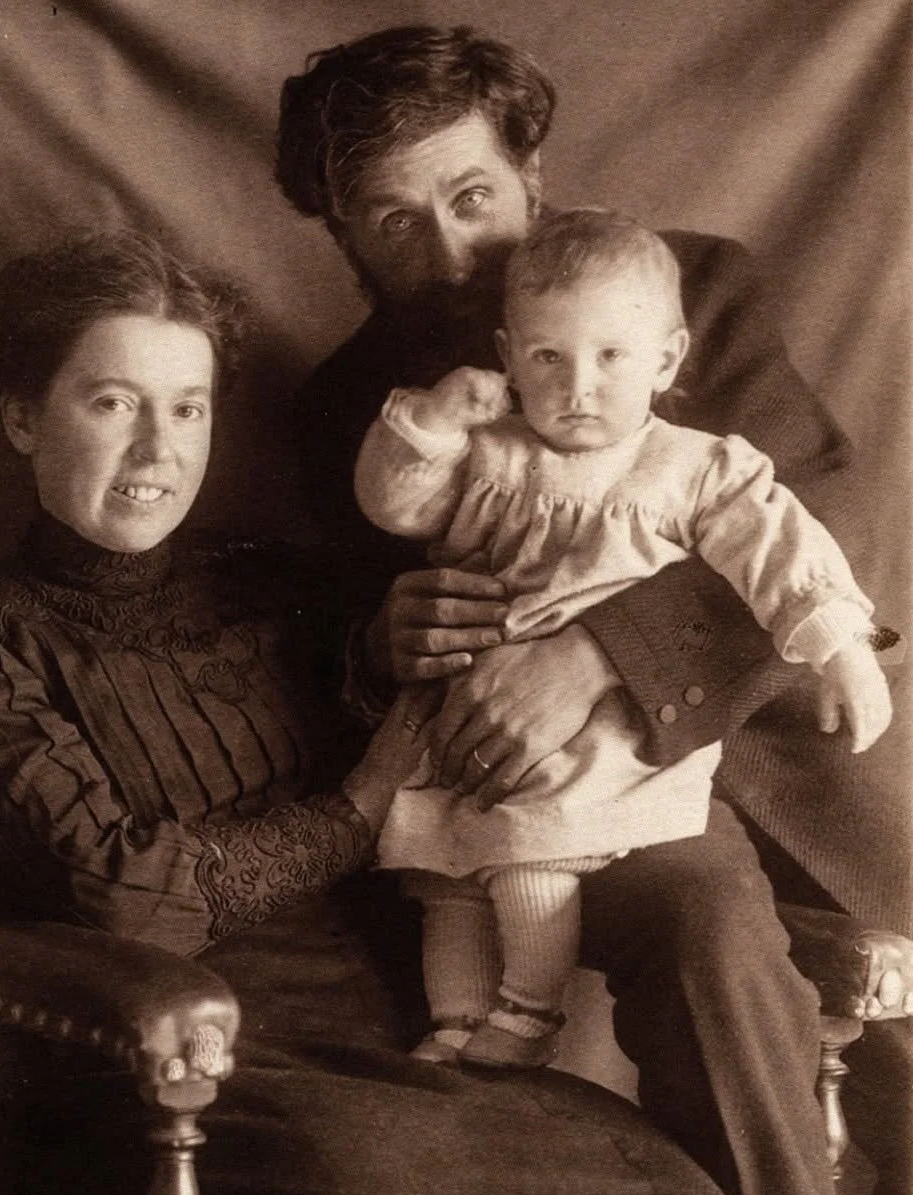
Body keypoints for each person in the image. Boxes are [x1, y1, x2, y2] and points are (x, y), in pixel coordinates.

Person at [0, 229, 775, 1195]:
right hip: (175, 1054)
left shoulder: (268, 580)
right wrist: (357, 814)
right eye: (113, 403)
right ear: (25, 418)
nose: (157, 449)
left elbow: (428, 687)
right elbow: (121, 894)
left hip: (405, 1019)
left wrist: (400, 651)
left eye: (190, 406)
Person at [276, 25, 910, 1195]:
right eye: (392, 221)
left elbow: (811, 530)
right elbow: (328, 641)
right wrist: (381, 641)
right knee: (699, 937)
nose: (448, 254)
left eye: (470, 198)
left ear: (533, 172)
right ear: (339, 234)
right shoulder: (357, 407)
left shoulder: (688, 296)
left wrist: (599, 649)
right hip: (566, 820)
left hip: (788, 762)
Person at [354, 207, 892, 1070]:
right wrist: (431, 420)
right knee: (444, 882)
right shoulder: (494, 453)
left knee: (530, 862)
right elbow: (399, 505)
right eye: (548, 359)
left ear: (667, 359)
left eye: (611, 358)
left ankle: (527, 1014)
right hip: (477, 716)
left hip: (608, 731)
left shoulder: (693, 466)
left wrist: (841, 648)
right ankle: (454, 1021)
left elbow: (786, 550)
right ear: (507, 359)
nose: (579, 389)